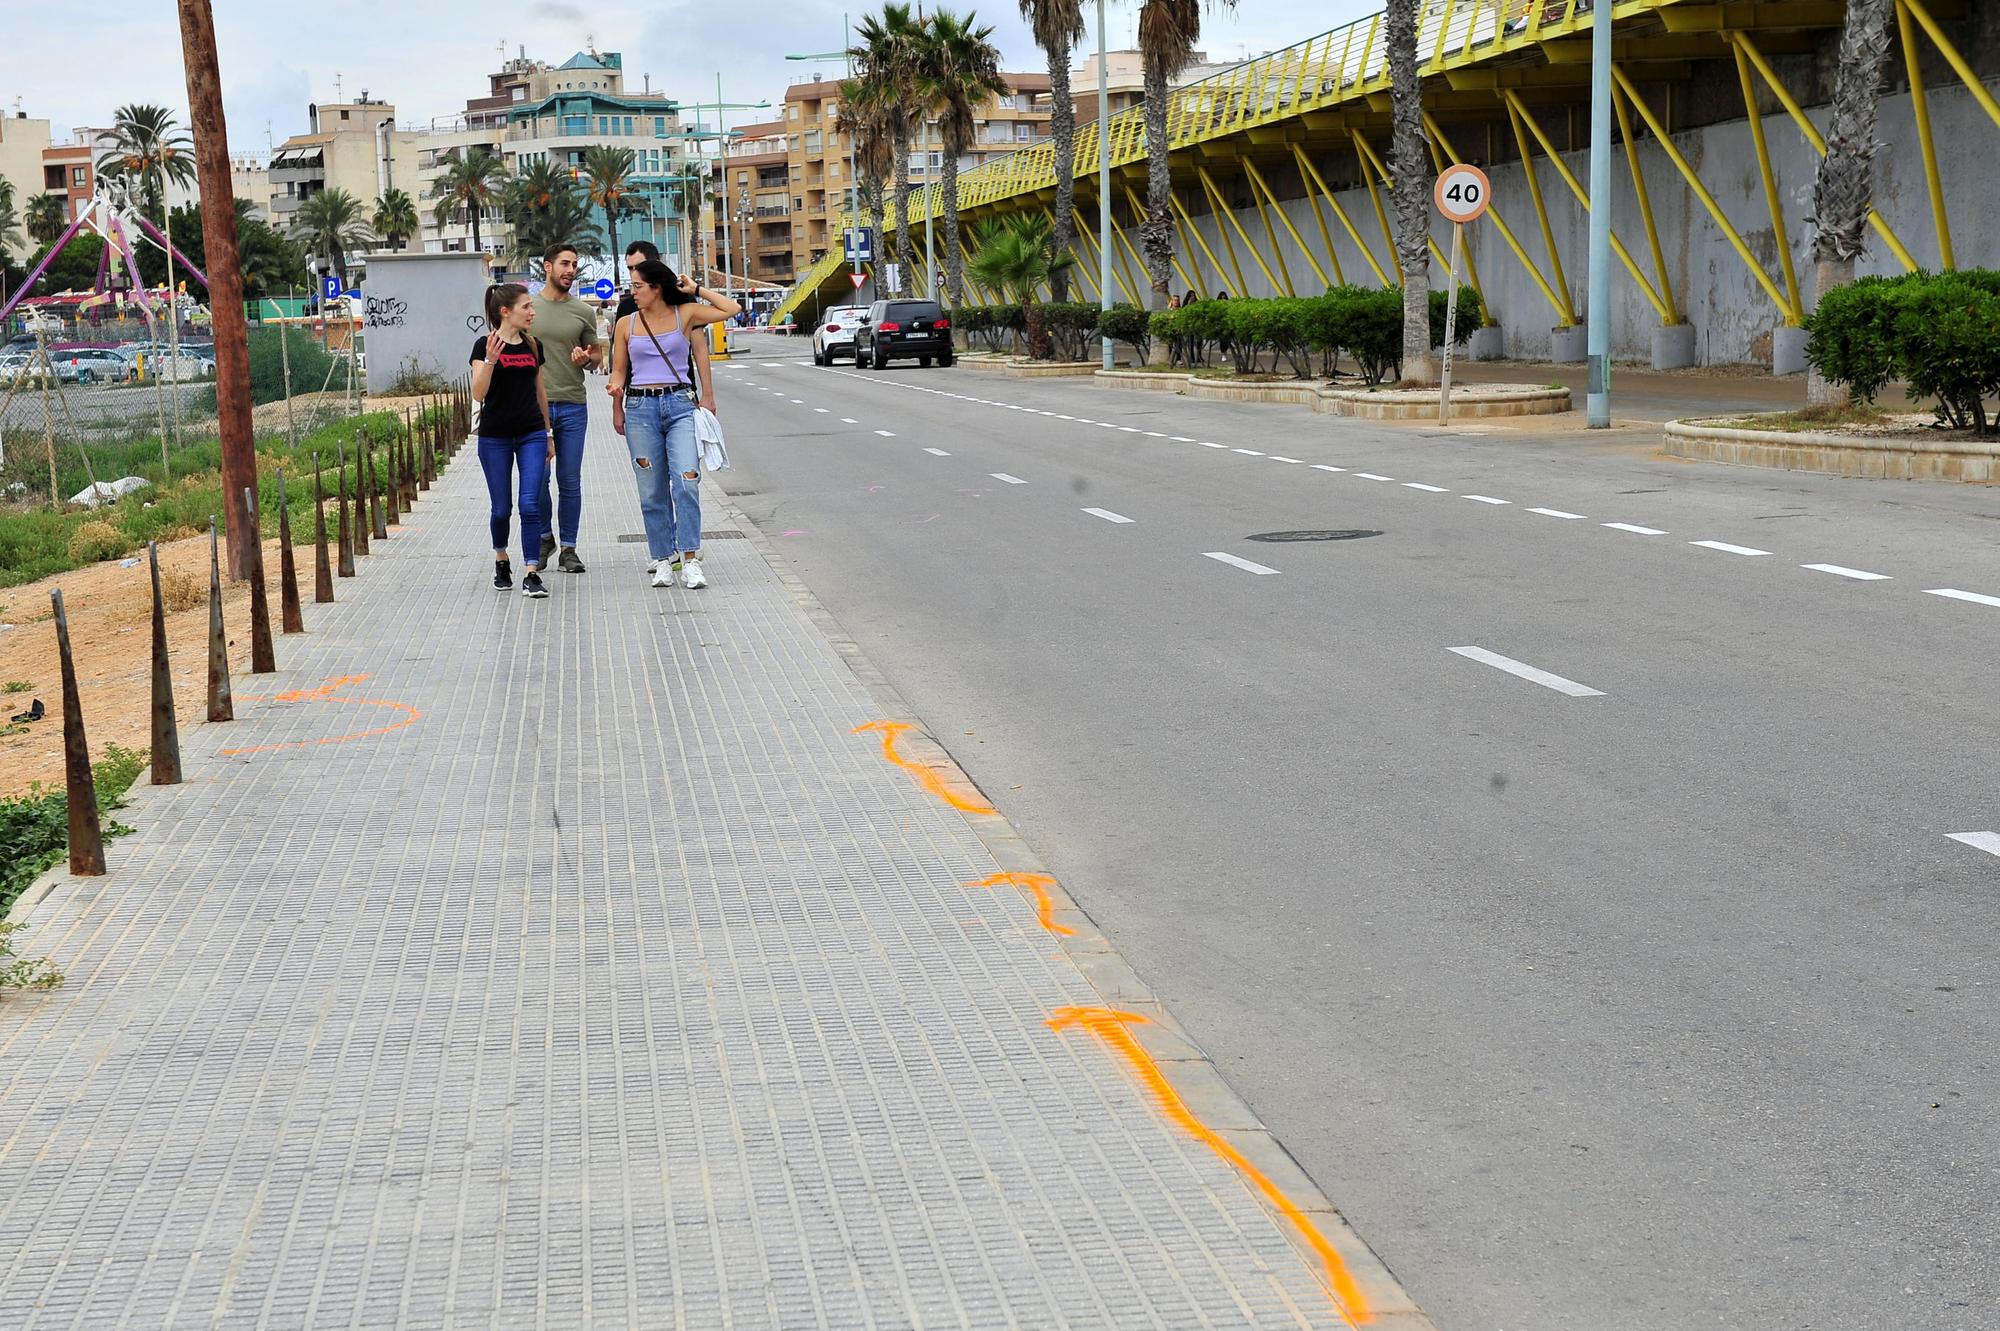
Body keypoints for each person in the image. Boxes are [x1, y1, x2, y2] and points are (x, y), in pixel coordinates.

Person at [608, 258, 741, 589]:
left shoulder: (687, 314)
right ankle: (663, 558)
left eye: (638, 286)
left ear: (656, 288)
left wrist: (695, 288)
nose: (632, 292)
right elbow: (619, 369)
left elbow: (731, 307)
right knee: (651, 490)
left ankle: (691, 558)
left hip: (680, 404)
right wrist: (615, 397)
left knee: (686, 481)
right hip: (640, 407)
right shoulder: (626, 323)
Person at [470, 283, 554, 598]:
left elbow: (540, 392)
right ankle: (501, 558)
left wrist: (548, 433)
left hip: (531, 432)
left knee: (530, 504)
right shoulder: (483, 345)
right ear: (506, 312)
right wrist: (491, 360)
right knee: (501, 509)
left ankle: (532, 572)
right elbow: (479, 394)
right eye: (526, 307)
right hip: (495, 437)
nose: (532, 312)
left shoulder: (533, 346)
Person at [529, 243, 599, 575]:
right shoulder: (528, 308)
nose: (571, 270)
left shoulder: (583, 312)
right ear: (547, 267)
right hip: (534, 409)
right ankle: (545, 539)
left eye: (574, 264)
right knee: (538, 479)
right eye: (565, 264)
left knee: (569, 480)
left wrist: (588, 360)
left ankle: (569, 548)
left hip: (572, 404)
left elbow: (597, 357)